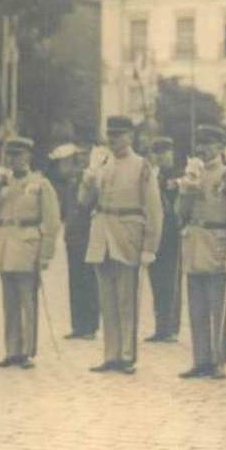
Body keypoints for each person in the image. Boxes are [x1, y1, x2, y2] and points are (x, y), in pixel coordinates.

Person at [79, 115, 163, 375]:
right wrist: (88, 180)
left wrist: (150, 246)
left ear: (130, 136)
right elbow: (84, 202)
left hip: (127, 235)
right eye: (110, 134)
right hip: (102, 234)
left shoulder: (142, 166)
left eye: (119, 134)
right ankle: (111, 354)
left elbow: (154, 209)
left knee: (127, 300)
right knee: (107, 301)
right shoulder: (102, 164)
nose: (113, 139)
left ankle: (127, 354)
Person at [0, 136, 61, 370]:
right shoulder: (2, 185)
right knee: (10, 303)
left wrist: (46, 254)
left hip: (27, 246)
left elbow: (52, 222)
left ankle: (27, 351)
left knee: (27, 301)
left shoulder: (40, 184)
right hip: (5, 246)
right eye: (10, 156)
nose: (14, 160)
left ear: (28, 157)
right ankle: (12, 350)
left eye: (19, 155)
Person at [176, 125, 226, 379]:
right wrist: (185, 191)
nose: (203, 149)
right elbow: (179, 215)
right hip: (194, 243)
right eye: (200, 144)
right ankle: (200, 359)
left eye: (208, 144)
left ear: (219, 147)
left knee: (218, 307)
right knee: (196, 307)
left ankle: (218, 360)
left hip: (217, 242)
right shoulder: (192, 174)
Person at [49, 143, 99, 340]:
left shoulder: (86, 178)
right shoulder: (70, 181)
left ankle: (90, 326)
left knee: (88, 280)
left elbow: (85, 204)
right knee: (75, 281)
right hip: (73, 237)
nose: (60, 167)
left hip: (87, 235)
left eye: (63, 163)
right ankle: (78, 325)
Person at [143, 135, 183, 343]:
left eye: (165, 152)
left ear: (172, 153)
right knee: (157, 281)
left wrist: (177, 184)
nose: (161, 157)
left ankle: (170, 327)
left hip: (172, 235)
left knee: (171, 281)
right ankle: (161, 326)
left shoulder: (180, 174)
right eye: (157, 153)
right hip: (154, 234)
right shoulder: (152, 174)